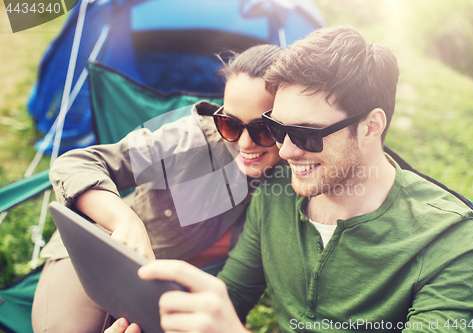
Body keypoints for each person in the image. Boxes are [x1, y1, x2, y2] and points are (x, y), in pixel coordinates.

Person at [106, 25, 473, 333]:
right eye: (277, 128)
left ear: (371, 126)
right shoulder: (276, 191)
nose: (286, 152)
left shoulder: (450, 241)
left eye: (308, 134)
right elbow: (235, 291)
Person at [31, 44, 284, 333]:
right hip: (100, 251)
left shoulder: (299, 174)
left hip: (163, 290)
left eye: (263, 129)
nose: (244, 143)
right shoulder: (188, 140)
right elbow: (76, 164)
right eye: (230, 124)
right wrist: (123, 220)